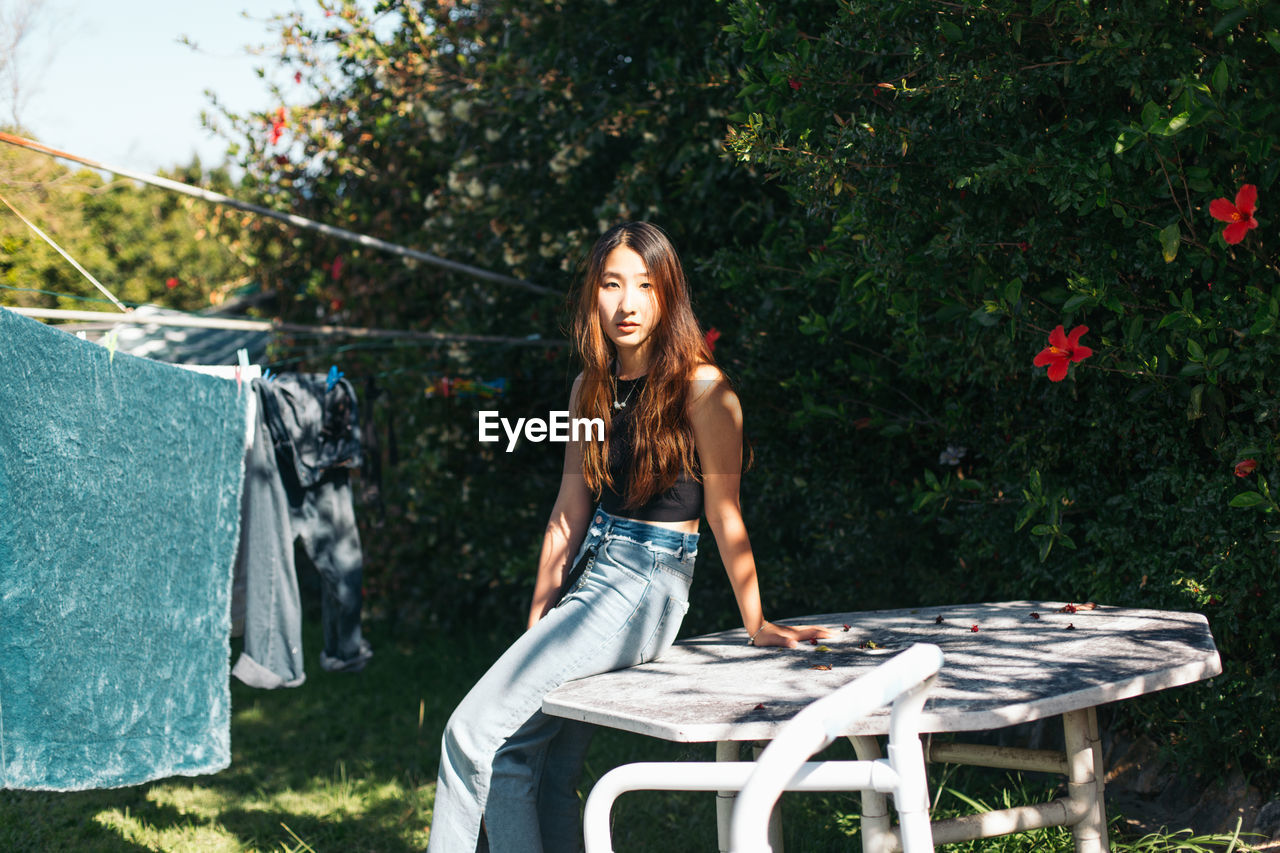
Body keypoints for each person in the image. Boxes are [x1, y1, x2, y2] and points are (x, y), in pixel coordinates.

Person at [426, 221, 832, 852]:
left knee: (470, 734)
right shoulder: (589, 389)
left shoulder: (704, 389)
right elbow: (569, 509)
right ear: (594, 295)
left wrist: (758, 622)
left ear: (667, 296)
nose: (627, 302)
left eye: (645, 285)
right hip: (592, 582)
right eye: (612, 284)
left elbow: (726, 514)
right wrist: (540, 616)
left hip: (645, 584)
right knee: (528, 762)